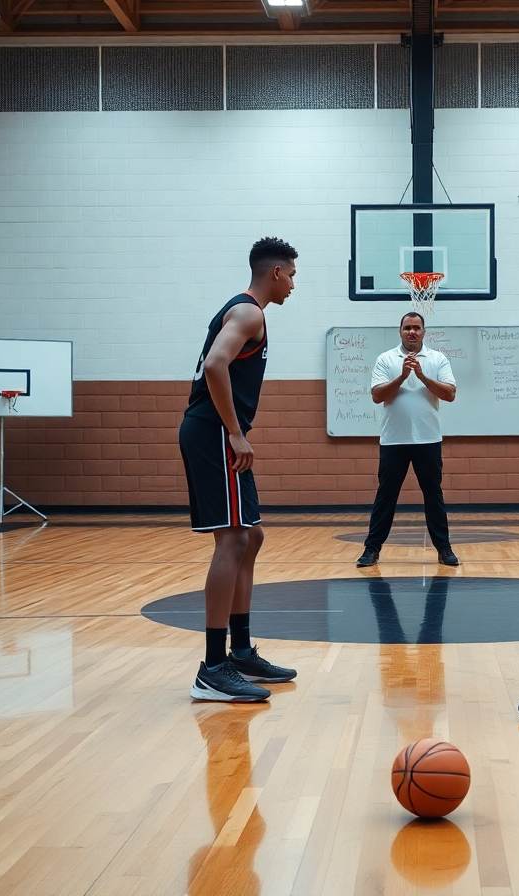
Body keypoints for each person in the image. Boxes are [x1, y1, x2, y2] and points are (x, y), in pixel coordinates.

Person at [180, 237, 299, 702]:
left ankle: (241, 650)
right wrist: (234, 431)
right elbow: (215, 364)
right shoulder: (250, 312)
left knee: (252, 536)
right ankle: (212, 667)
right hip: (212, 431)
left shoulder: (248, 314)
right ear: (274, 273)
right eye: (290, 276)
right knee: (231, 539)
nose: (292, 285)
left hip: (216, 431)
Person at [356, 312, 459, 568]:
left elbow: (450, 394)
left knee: (433, 495)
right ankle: (372, 550)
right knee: (386, 496)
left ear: (424, 332)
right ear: (400, 331)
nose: (411, 332)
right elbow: (377, 396)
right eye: (407, 328)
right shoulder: (386, 359)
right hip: (394, 440)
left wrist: (422, 376)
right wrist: (402, 376)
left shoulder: (437, 358)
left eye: (416, 328)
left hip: (428, 439)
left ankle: (444, 549)